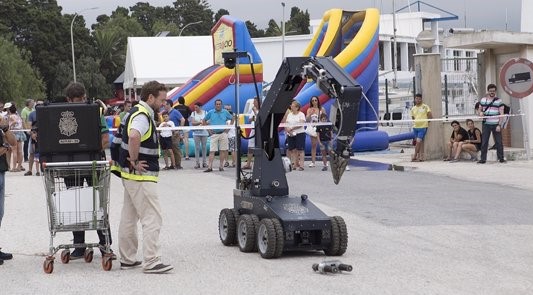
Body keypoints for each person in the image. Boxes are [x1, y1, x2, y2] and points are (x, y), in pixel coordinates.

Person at [117, 80, 173, 273]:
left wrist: (129, 163)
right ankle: (151, 261)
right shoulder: (142, 115)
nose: (164, 104)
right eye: (162, 100)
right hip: (141, 175)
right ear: (150, 97)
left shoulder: (133, 112)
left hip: (130, 175)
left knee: (129, 217)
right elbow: (134, 136)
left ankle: (127, 258)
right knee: (152, 217)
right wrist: (133, 161)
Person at [62, 82, 115, 260]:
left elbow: (105, 139)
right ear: (68, 100)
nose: (83, 102)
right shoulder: (60, 115)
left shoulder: (95, 112)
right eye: (78, 99)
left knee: (99, 204)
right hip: (71, 167)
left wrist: (91, 149)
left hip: (93, 164)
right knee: (74, 204)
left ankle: (105, 244)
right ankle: (79, 246)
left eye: (84, 98)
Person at [477, 84, 506, 164]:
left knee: (499, 142)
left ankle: (501, 158)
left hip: (495, 124)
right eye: (490, 91)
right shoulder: (483, 100)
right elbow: (479, 110)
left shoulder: (499, 101)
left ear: (495, 91)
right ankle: (483, 159)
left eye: (493, 91)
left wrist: (499, 125)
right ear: (488, 91)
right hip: (486, 123)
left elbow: (501, 114)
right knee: (484, 142)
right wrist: (480, 113)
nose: (492, 92)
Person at [203, 99, 233, 172]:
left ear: (221, 105)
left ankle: (221, 166)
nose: (218, 105)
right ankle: (210, 167)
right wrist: (209, 130)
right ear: (215, 105)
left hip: (223, 133)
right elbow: (204, 121)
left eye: (219, 104)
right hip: (214, 134)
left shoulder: (225, 112)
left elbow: (233, 119)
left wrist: (228, 129)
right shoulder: (211, 112)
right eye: (217, 104)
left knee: (222, 150)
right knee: (212, 151)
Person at [0, 123, 13, 265]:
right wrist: (5, 148)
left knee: (0, 213)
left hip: (1, 171)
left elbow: (13, 141)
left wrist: (5, 129)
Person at [410, 93, 432, 162]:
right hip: (415, 127)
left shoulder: (425, 107)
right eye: (416, 98)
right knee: (418, 142)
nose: (418, 100)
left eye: (419, 99)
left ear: (421, 99)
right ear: (414, 99)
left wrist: (426, 123)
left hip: (422, 127)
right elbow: (413, 118)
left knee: (419, 141)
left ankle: (415, 155)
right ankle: (420, 156)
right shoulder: (413, 108)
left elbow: (430, 116)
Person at [285, 100, 306, 170]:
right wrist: (288, 130)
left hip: (300, 133)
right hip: (290, 134)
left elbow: (301, 123)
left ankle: (302, 165)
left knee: (300, 149)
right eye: (291, 106)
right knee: (293, 150)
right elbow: (286, 123)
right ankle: (295, 164)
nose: (291, 107)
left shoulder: (301, 114)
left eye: (293, 106)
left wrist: (292, 128)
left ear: (297, 107)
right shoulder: (289, 114)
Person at [306, 96, 326, 168]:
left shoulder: (321, 109)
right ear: (311, 102)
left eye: (315, 100)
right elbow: (307, 120)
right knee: (314, 145)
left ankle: (325, 162)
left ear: (318, 101)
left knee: (322, 145)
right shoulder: (309, 109)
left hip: (320, 128)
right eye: (313, 100)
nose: (314, 102)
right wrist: (310, 114)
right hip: (313, 128)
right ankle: (313, 162)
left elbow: (325, 118)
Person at [164, 100, 184, 169]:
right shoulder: (167, 113)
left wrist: (179, 130)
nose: (164, 106)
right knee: (171, 149)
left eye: (165, 105)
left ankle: (178, 164)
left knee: (176, 148)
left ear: (169, 105)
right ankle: (173, 164)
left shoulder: (175, 112)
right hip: (169, 133)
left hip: (175, 133)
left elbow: (182, 120)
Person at [25, 99, 43, 176]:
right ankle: (30, 170)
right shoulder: (32, 114)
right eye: (38, 104)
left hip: (43, 137)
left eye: (41, 104)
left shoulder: (45, 113)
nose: (39, 105)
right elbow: (29, 126)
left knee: (42, 153)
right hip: (33, 137)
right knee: (32, 153)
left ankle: (41, 170)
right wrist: (32, 134)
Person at [189, 102, 208, 169]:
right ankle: (197, 163)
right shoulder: (193, 113)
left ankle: (204, 162)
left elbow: (208, 121)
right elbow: (193, 123)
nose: (195, 108)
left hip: (204, 132)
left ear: (200, 107)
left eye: (196, 107)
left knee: (204, 147)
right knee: (197, 148)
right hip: (196, 133)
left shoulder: (205, 113)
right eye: (195, 107)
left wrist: (204, 123)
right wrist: (200, 122)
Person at [7, 104, 25, 172]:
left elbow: (14, 121)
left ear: (9, 110)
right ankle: (19, 167)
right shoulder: (18, 116)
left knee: (14, 151)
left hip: (14, 133)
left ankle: (14, 167)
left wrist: (10, 125)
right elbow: (20, 123)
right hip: (19, 133)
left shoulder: (11, 116)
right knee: (20, 151)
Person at [243, 97, 259, 170]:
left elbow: (259, 117)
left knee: (259, 146)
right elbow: (250, 119)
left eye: (255, 102)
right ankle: (248, 163)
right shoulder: (252, 110)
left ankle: (259, 163)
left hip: (259, 130)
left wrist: (255, 111)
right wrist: (253, 117)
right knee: (250, 146)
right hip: (253, 129)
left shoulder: (261, 109)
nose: (253, 103)